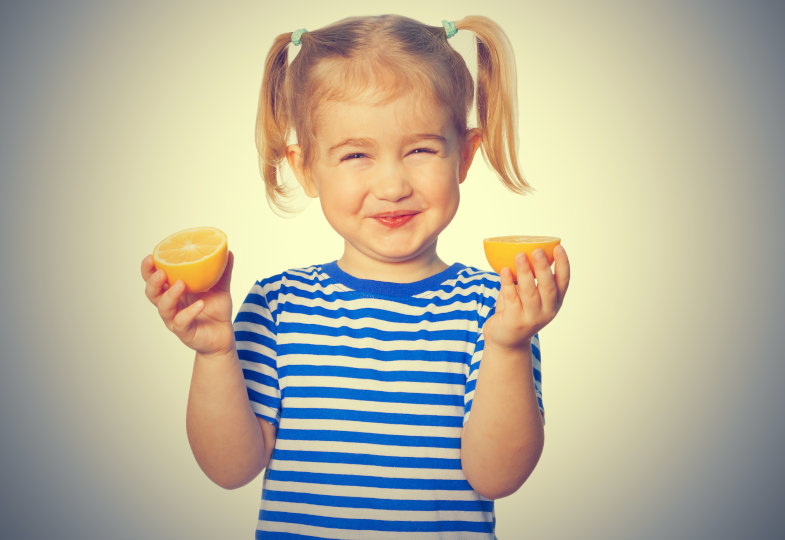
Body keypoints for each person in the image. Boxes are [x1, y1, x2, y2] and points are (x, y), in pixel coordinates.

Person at [141, 14, 569, 539]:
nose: (392, 185)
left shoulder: (495, 310)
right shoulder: (277, 305)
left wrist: (508, 348)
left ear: (465, 155)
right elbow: (230, 470)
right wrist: (213, 355)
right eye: (356, 154)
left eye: (420, 149)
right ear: (305, 169)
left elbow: (496, 477)